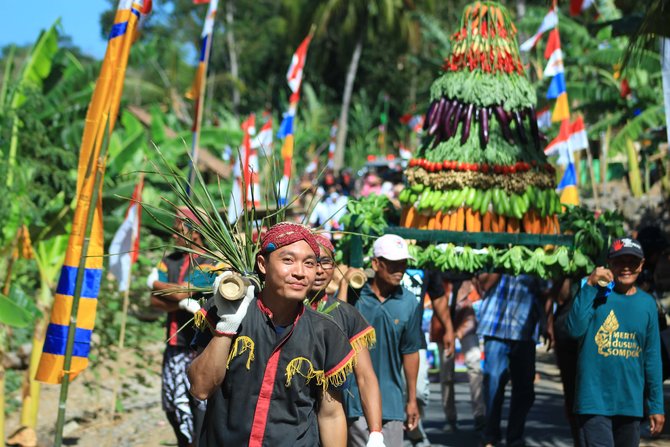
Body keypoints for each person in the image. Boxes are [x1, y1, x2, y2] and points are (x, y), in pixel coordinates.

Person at [188, 222, 355, 446]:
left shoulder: (326, 332)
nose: (299, 272)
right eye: (288, 260)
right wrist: (226, 327)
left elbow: (331, 414)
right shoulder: (224, 312)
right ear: (262, 264)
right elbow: (200, 388)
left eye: (308, 263)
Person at [566, 237, 665, 446]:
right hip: (593, 404)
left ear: (642, 264)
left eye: (633, 262)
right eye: (620, 261)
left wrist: (656, 406)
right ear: (609, 263)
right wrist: (591, 285)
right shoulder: (593, 294)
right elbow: (574, 330)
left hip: (630, 404)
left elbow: (652, 357)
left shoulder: (647, 304)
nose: (626, 267)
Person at [147, 207, 220, 447]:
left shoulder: (210, 262)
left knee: (198, 406)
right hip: (174, 346)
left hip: (199, 347)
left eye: (178, 224)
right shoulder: (170, 260)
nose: (174, 231)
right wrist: (181, 299)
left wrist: (157, 284)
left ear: (193, 230)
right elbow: (154, 300)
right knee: (172, 405)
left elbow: (182, 290)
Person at [344, 234, 423, 447]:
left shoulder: (409, 303)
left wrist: (412, 400)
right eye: (393, 264)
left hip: (392, 403)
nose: (400, 269)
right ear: (376, 264)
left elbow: (410, 352)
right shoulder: (355, 294)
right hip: (357, 401)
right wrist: (344, 283)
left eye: (403, 263)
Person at [309, 234, 385, 447]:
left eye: (325, 262)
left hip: (331, 420)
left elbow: (365, 376)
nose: (318, 270)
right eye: (310, 262)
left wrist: (376, 434)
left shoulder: (346, 314)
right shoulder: (281, 310)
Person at [476, 273, 550, 447]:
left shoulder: (535, 254)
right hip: (495, 327)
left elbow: (545, 292)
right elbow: (484, 285)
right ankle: (490, 435)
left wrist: (548, 324)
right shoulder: (494, 253)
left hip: (525, 330)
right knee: (493, 382)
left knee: (524, 388)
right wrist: (501, 265)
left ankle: (515, 436)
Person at [400, 268, 455, 446]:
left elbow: (438, 296)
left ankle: (414, 426)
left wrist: (449, 328)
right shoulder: (383, 249)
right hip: (385, 336)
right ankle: (396, 432)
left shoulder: (426, 259)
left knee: (419, 391)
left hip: (414, 338)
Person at [437, 275, 486, 433]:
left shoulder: (470, 275)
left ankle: (480, 415)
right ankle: (449, 416)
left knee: (474, 365)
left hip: (466, 318)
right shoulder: (440, 276)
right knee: (446, 372)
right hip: (443, 319)